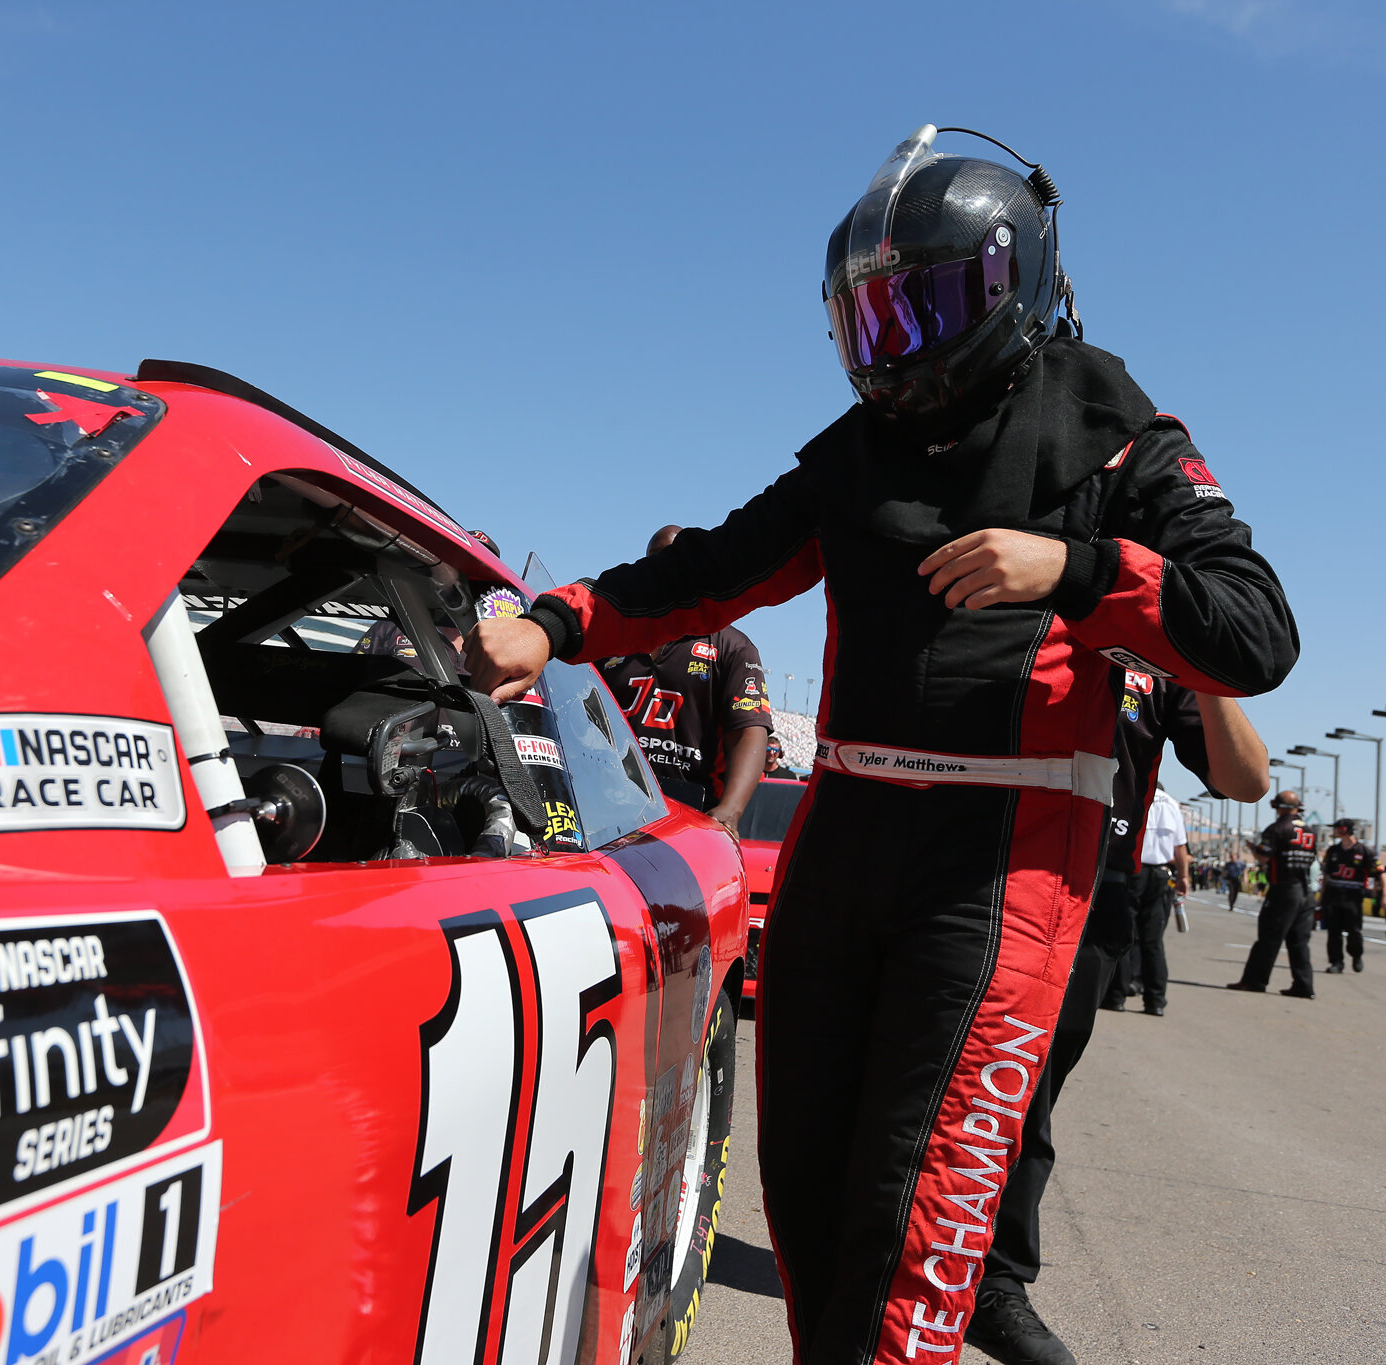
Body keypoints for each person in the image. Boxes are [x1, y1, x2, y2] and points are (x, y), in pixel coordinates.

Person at [464, 124, 1298, 1365]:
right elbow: (712, 566)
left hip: (1002, 859)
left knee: (918, 1214)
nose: (895, 344)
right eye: (874, 316)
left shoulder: (1119, 437)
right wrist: (554, 623)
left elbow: (1254, 633)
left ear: (1013, 284)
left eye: (928, 307)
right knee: (803, 1180)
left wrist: (1071, 568)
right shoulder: (855, 458)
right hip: (844, 840)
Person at [975, 676, 1266, 1364]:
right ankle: (881, 1249)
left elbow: (1245, 778)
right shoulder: (1013, 588)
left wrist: (1203, 653)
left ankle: (993, 1282)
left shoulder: (1158, 649)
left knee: (1025, 1091)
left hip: (1093, 888)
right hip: (974, 858)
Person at [595, 526, 772, 832]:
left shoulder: (733, 647)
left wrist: (730, 810)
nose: (665, 568)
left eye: (677, 558)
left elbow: (748, 731)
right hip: (607, 806)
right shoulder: (611, 637)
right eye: (655, 559)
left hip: (693, 814)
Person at [1102, 780, 1188, 1015]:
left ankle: (1117, 995)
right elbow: (1180, 847)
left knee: (1124, 935)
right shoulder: (1172, 804)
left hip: (1134, 873)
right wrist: (1184, 877)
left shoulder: (1137, 795)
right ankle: (1156, 1000)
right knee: (1153, 941)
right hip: (1161, 875)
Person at [1229, 791, 1319, 997]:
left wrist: (1252, 847)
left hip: (1284, 889)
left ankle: (1255, 981)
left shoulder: (1278, 828)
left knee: (1269, 937)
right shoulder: (1310, 830)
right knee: (1299, 941)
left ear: (1278, 807)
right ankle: (1304, 985)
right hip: (1306, 891)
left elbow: (1263, 857)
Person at [1318, 819, 1383, 973]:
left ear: (1344, 829)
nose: (1333, 832)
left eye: (1335, 829)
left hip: (1353, 897)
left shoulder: (1364, 851)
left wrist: (1385, 895)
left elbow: (1381, 874)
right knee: (1333, 931)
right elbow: (1326, 875)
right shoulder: (1333, 851)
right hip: (1333, 895)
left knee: (1354, 931)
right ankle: (1336, 962)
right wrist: (1322, 896)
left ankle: (1356, 955)